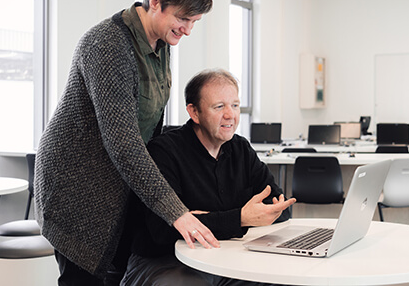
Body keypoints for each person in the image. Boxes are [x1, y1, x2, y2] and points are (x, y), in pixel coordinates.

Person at [34, 0, 220, 285]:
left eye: (194, 21)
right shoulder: (107, 44)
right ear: (155, 2)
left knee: (121, 270)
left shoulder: (162, 44)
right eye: (182, 18)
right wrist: (177, 212)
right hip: (75, 186)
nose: (188, 29)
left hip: (117, 181)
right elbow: (125, 144)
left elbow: (152, 128)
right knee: (86, 277)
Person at [121, 68, 296, 286]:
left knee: (289, 279)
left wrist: (207, 219)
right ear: (194, 112)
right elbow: (163, 230)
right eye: (219, 106)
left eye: (235, 105)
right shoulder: (164, 151)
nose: (230, 115)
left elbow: (279, 208)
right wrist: (241, 217)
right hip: (166, 261)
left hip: (227, 257)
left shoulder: (240, 148)